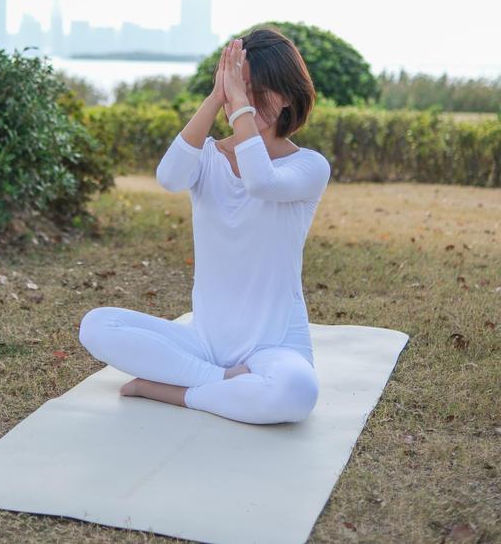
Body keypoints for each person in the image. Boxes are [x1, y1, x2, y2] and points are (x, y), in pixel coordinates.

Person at [78, 26, 332, 425]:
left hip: (275, 343)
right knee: (96, 326)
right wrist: (217, 96)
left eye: (253, 91)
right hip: (204, 341)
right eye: (235, 88)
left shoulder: (309, 166)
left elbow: (261, 181)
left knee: (297, 393)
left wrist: (240, 106)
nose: (240, 101)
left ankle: (172, 391)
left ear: (285, 96)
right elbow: (169, 177)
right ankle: (218, 381)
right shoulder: (207, 156)